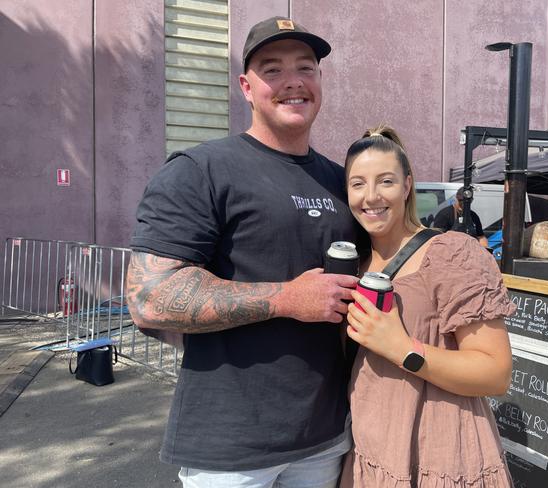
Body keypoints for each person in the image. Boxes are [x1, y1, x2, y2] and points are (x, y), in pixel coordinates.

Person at [126, 17, 362, 488]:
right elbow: (148, 298)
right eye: (272, 70)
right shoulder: (201, 170)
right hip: (230, 448)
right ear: (246, 87)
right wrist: (286, 299)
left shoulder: (343, 181)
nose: (293, 81)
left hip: (326, 437)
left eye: (306, 68)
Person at [339, 125, 515, 487]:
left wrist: (402, 348)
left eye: (385, 181)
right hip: (370, 452)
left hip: (440, 454)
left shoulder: (451, 254)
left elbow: (495, 373)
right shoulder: (352, 264)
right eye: (358, 184)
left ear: (406, 186)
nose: (370, 196)